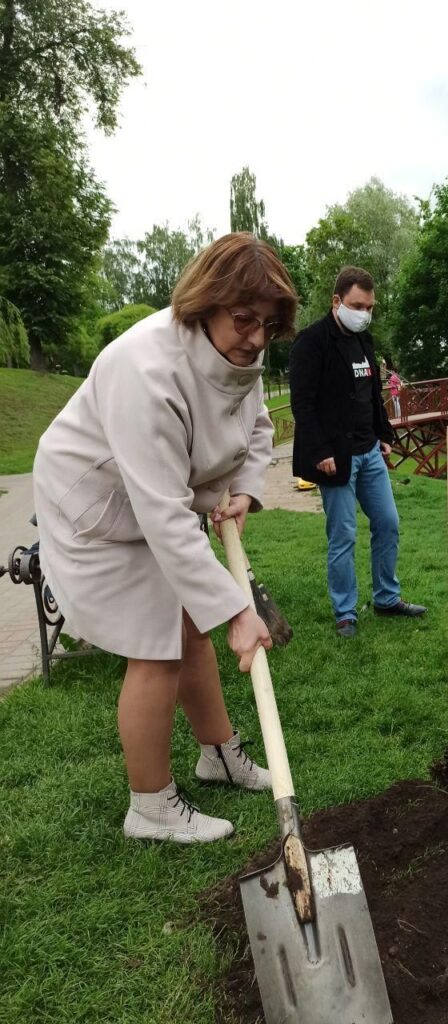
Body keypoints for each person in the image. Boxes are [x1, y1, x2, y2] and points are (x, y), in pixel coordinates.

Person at [33, 233, 298, 843]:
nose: (257, 337)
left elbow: (258, 428)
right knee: (154, 645)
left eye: (268, 323)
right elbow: (162, 513)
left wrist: (247, 492)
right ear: (206, 302)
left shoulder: (243, 356)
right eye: (244, 319)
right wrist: (237, 610)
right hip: (95, 504)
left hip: (156, 500)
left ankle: (218, 754)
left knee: (186, 626)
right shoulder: (145, 368)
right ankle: (149, 805)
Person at [289, 266, 426, 638]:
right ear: (337, 302)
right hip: (335, 458)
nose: (364, 313)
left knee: (388, 523)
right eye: (357, 305)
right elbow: (302, 403)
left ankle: (386, 598)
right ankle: (345, 612)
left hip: (368, 453)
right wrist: (319, 451)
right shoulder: (311, 342)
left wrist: (383, 434)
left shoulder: (365, 341)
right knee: (343, 534)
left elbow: (371, 395)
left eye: (369, 307)